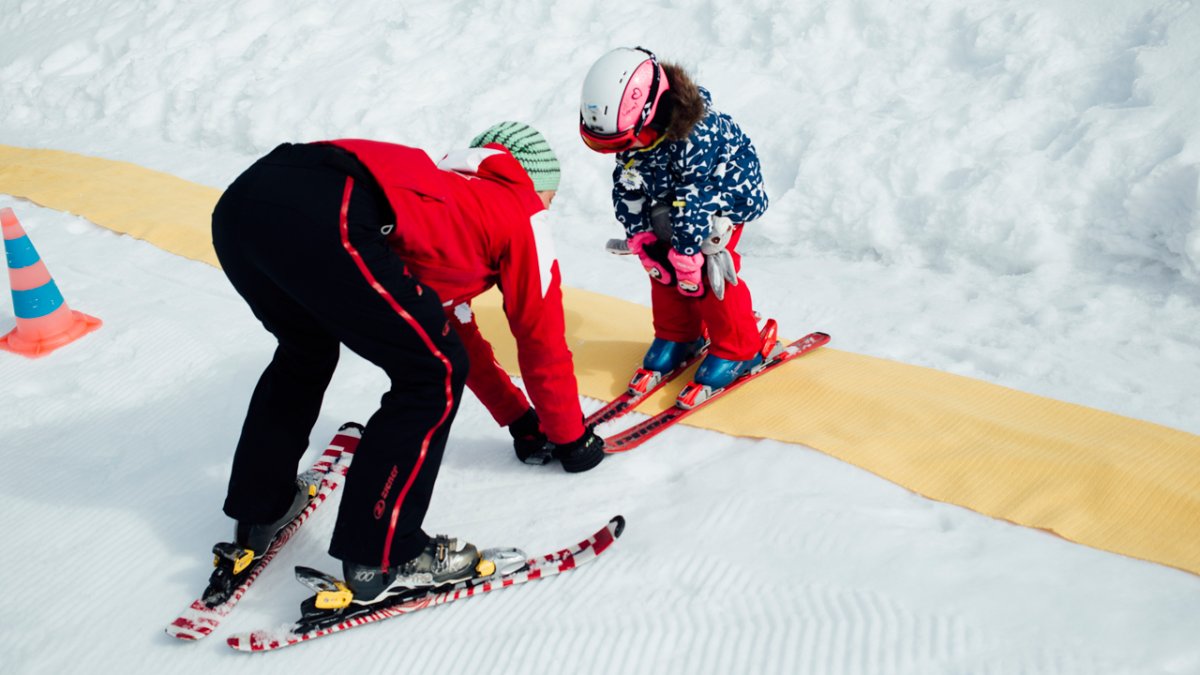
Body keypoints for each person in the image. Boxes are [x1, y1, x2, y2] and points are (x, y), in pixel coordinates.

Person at [209, 122, 603, 609]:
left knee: (304, 351)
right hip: (330, 209)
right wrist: (571, 439)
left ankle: (259, 508)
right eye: (550, 196)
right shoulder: (522, 212)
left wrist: (521, 420)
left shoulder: (443, 194)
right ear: (535, 183)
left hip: (244, 201)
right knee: (429, 376)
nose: (549, 207)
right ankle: (382, 552)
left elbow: (447, 331)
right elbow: (540, 337)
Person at [579, 47, 770, 393]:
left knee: (708, 267)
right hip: (676, 199)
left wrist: (686, 254)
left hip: (724, 199)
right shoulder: (636, 135)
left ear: (652, 113)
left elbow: (695, 197)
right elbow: (628, 184)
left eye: (630, 139)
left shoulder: (695, 134)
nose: (628, 148)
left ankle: (741, 349)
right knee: (660, 263)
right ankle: (679, 335)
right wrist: (641, 238)